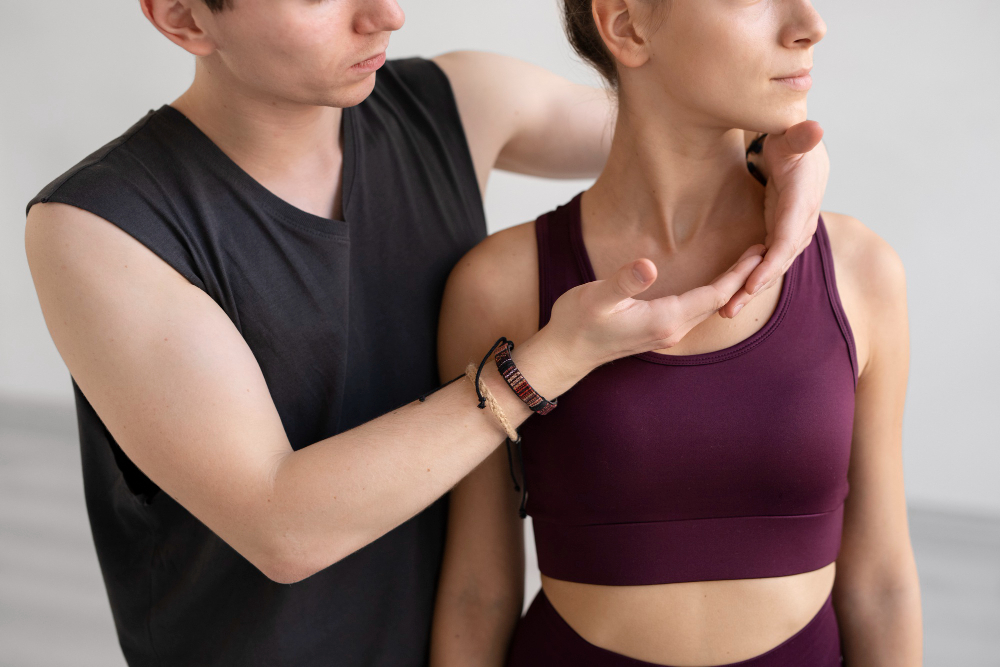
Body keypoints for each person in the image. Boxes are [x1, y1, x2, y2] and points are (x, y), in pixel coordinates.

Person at [23, 0, 829, 665]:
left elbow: (682, 115)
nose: (387, 15)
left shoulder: (457, 102)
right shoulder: (96, 228)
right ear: (186, 19)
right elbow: (281, 525)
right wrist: (548, 361)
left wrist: (789, 153)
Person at [430, 0, 921, 665]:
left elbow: (883, 585)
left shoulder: (861, 274)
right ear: (628, 24)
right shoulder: (499, 286)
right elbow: (477, 591)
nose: (810, 23)